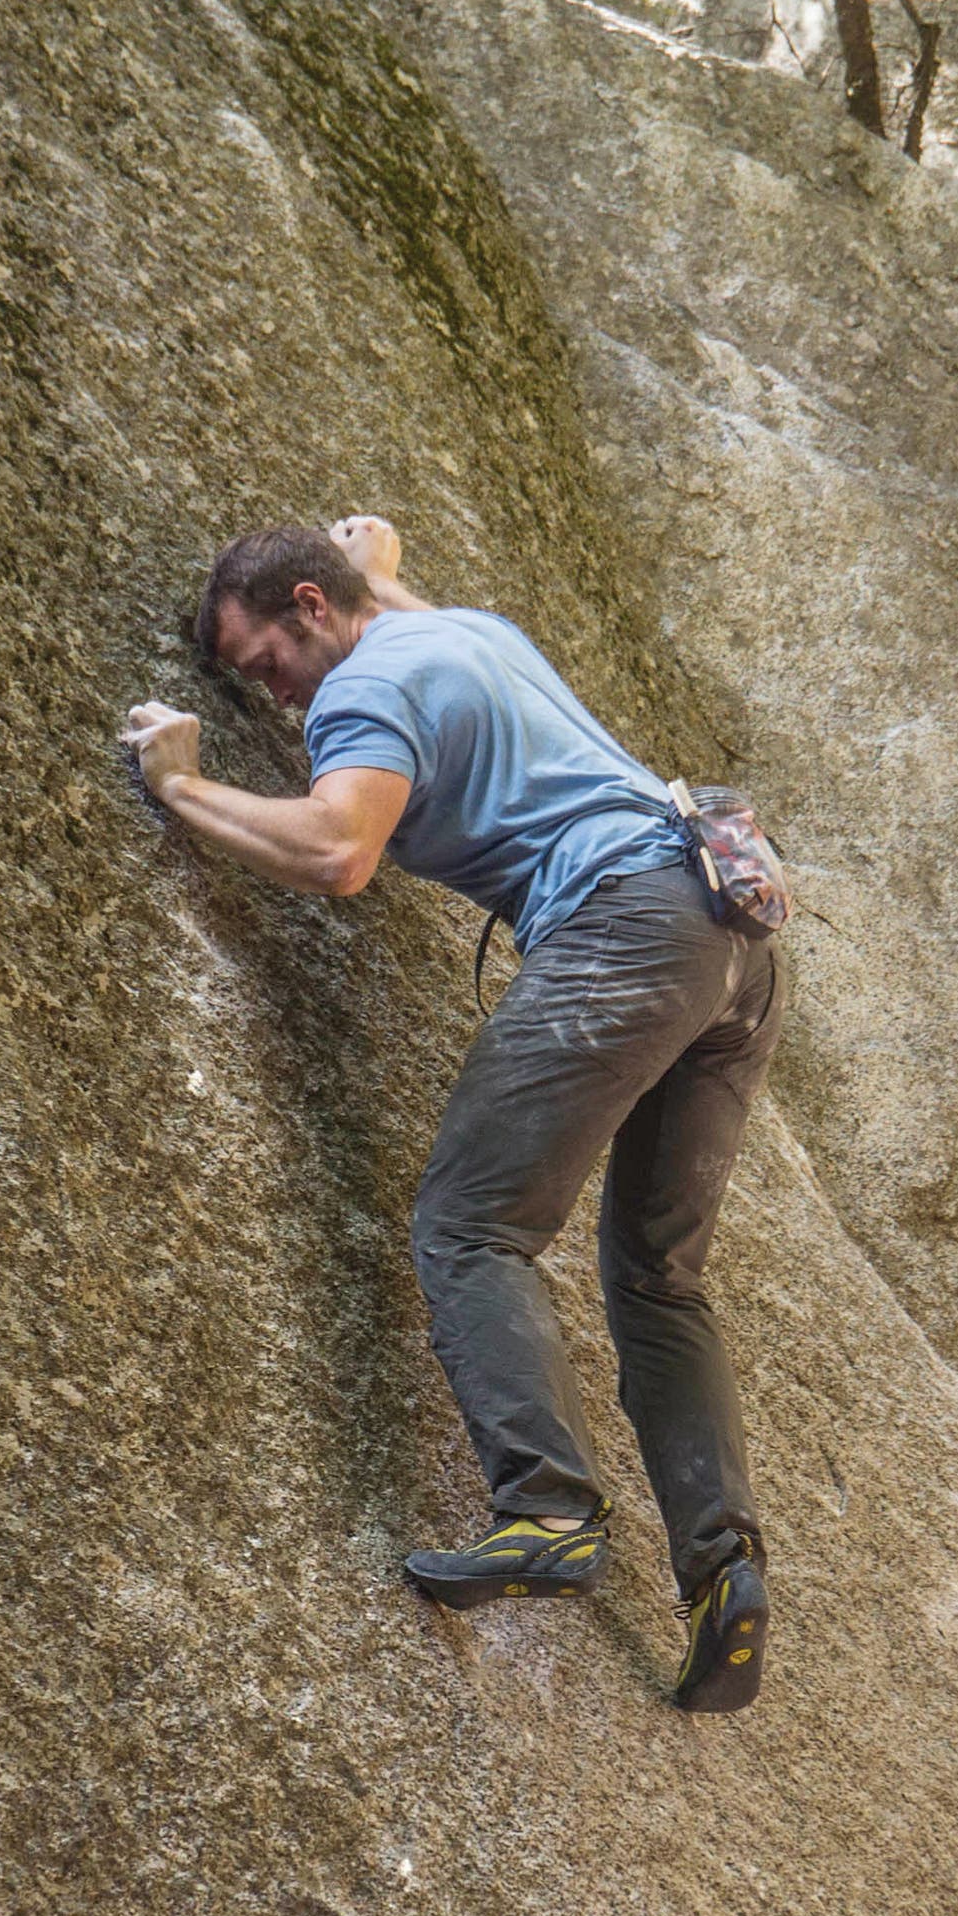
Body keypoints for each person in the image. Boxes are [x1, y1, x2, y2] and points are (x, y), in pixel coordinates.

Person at [119, 514, 779, 1715]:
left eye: (265, 662)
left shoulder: (358, 692)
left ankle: (547, 1511)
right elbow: (400, 621)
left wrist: (184, 784)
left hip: (623, 933)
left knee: (469, 1223)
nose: (271, 699)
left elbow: (337, 850)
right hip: (729, 934)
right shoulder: (464, 634)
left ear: (312, 607)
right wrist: (380, 568)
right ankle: (722, 1570)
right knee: (657, 1279)